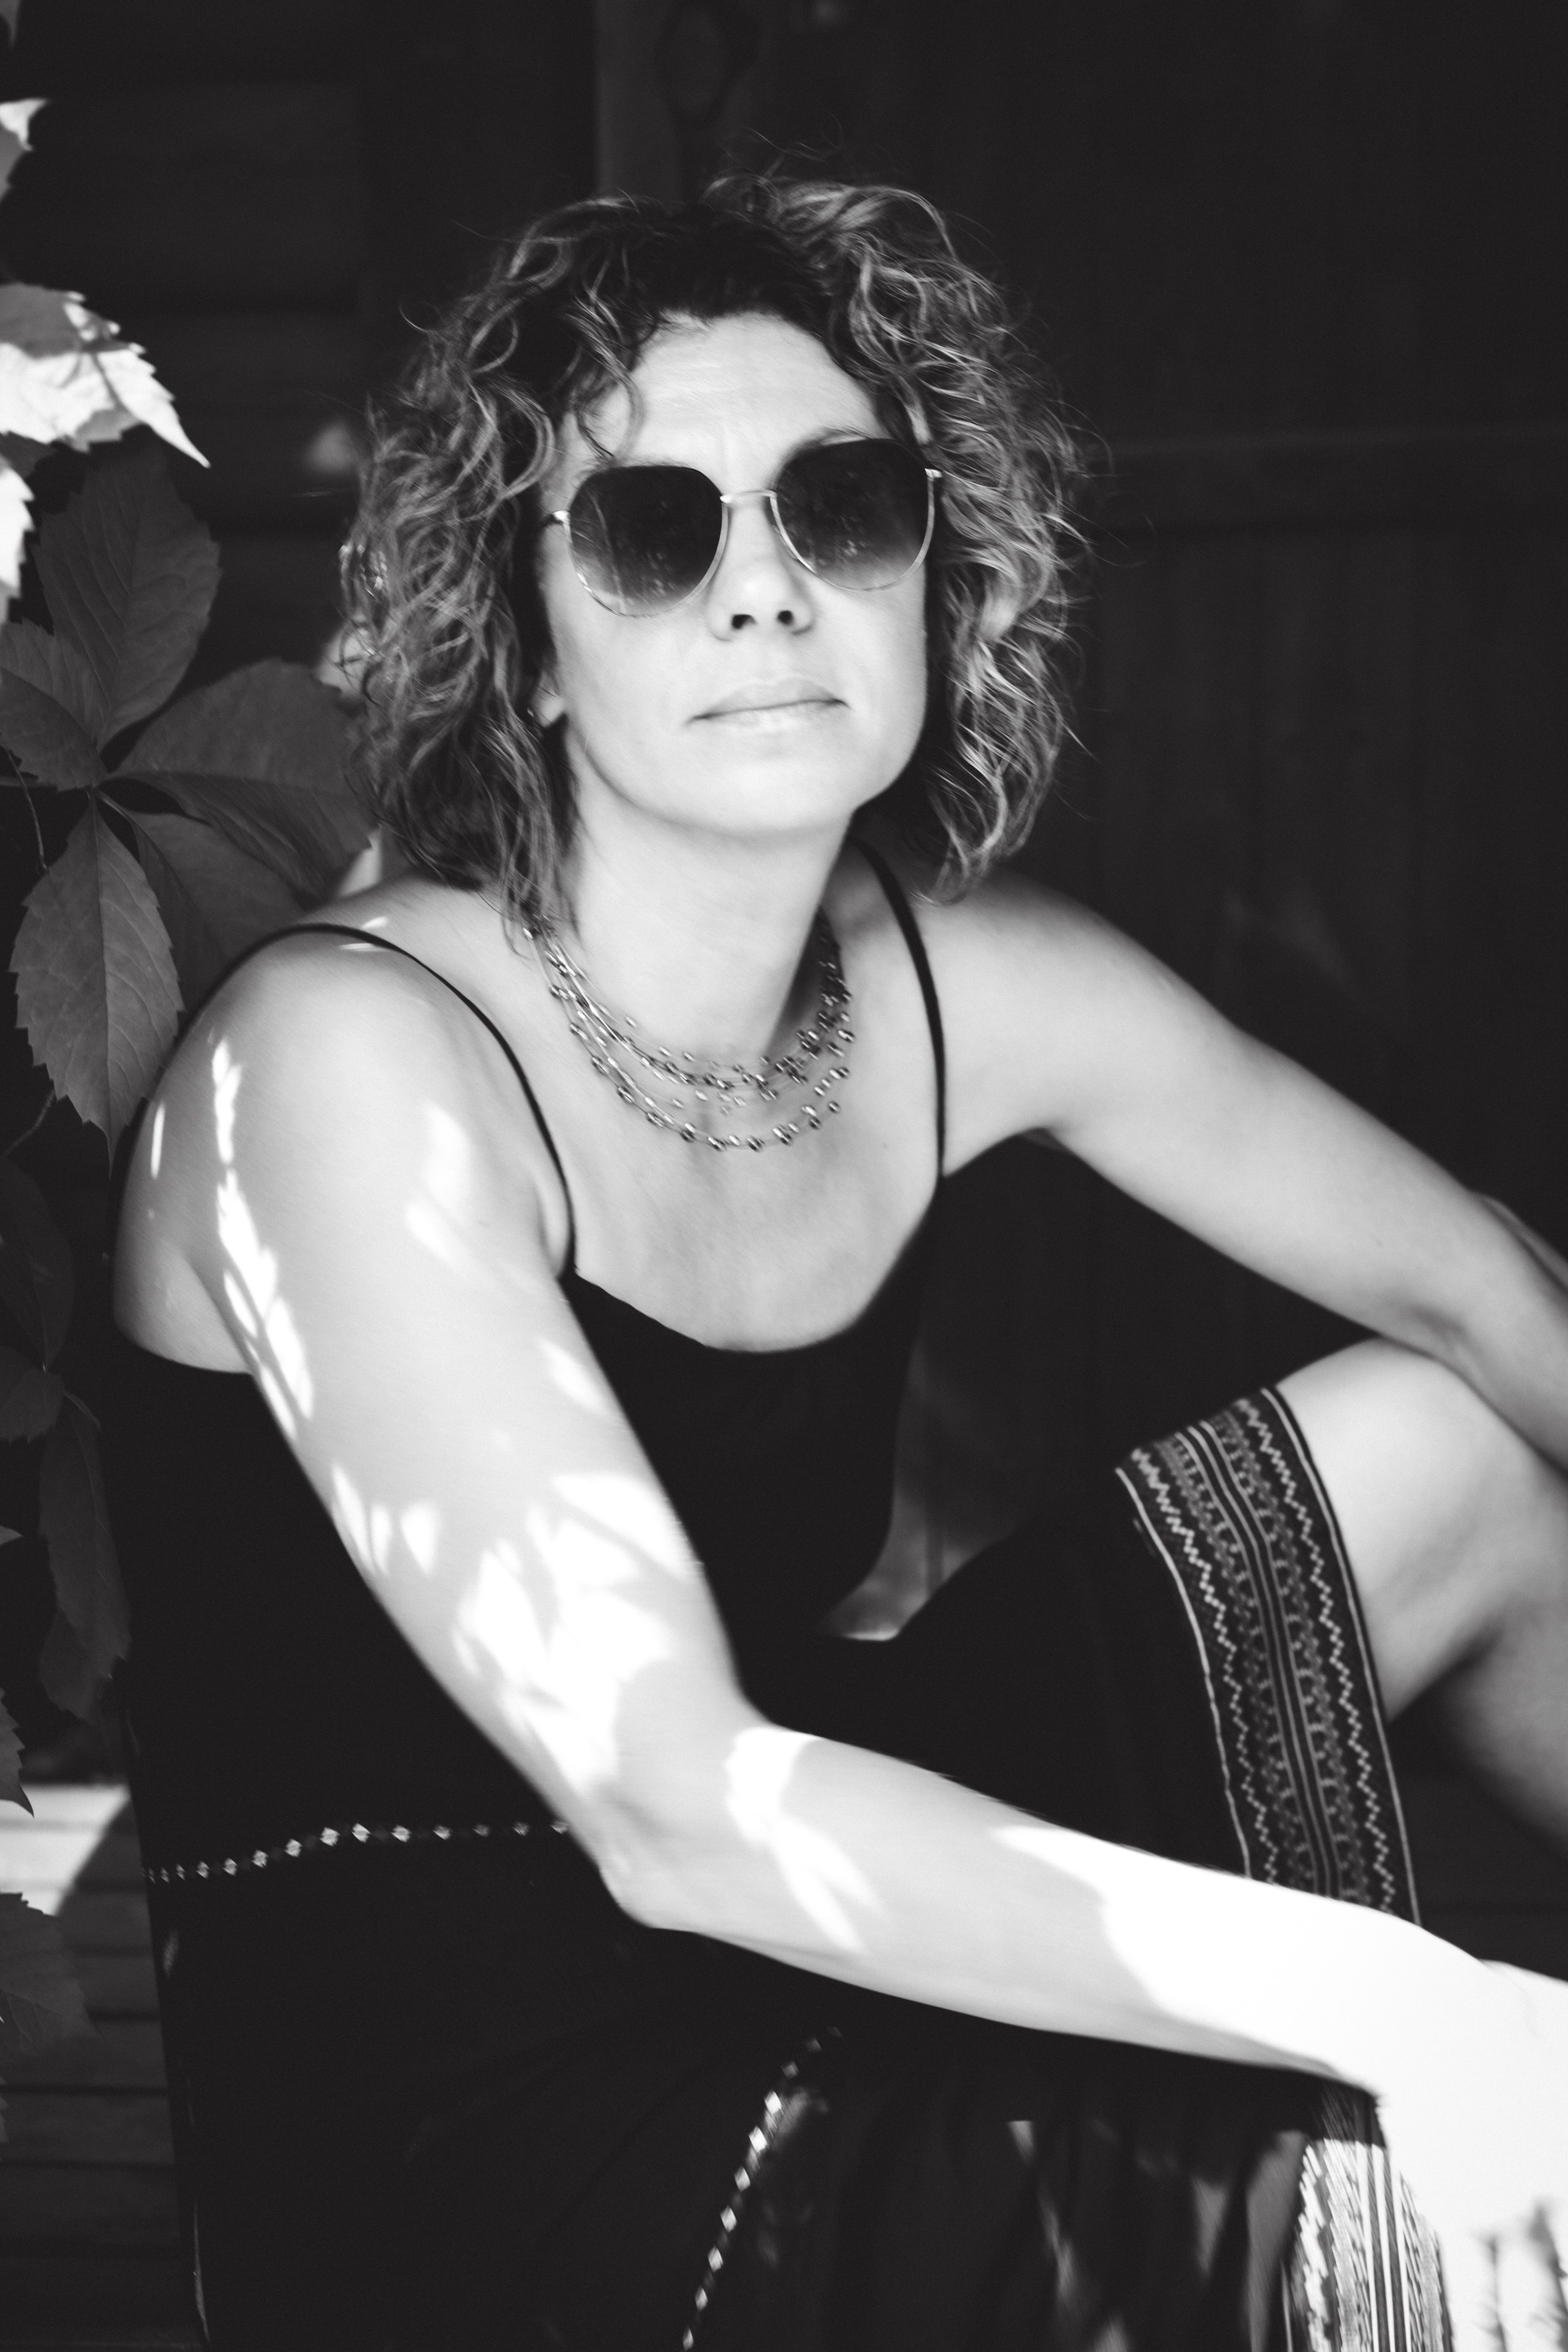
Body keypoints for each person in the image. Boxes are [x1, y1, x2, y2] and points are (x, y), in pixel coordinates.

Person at [104, 175, 1568, 2352]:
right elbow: (681, 1812)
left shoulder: (950, 983)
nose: (766, 587)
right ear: (525, 642)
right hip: (501, 2132)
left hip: (818, 1889)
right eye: (652, 532)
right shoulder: (350, 1063)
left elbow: (1484, 1293)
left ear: (934, 574)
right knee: (1488, 2227)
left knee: (1468, 1443)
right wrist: (1420, 2005)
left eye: (842, 505)